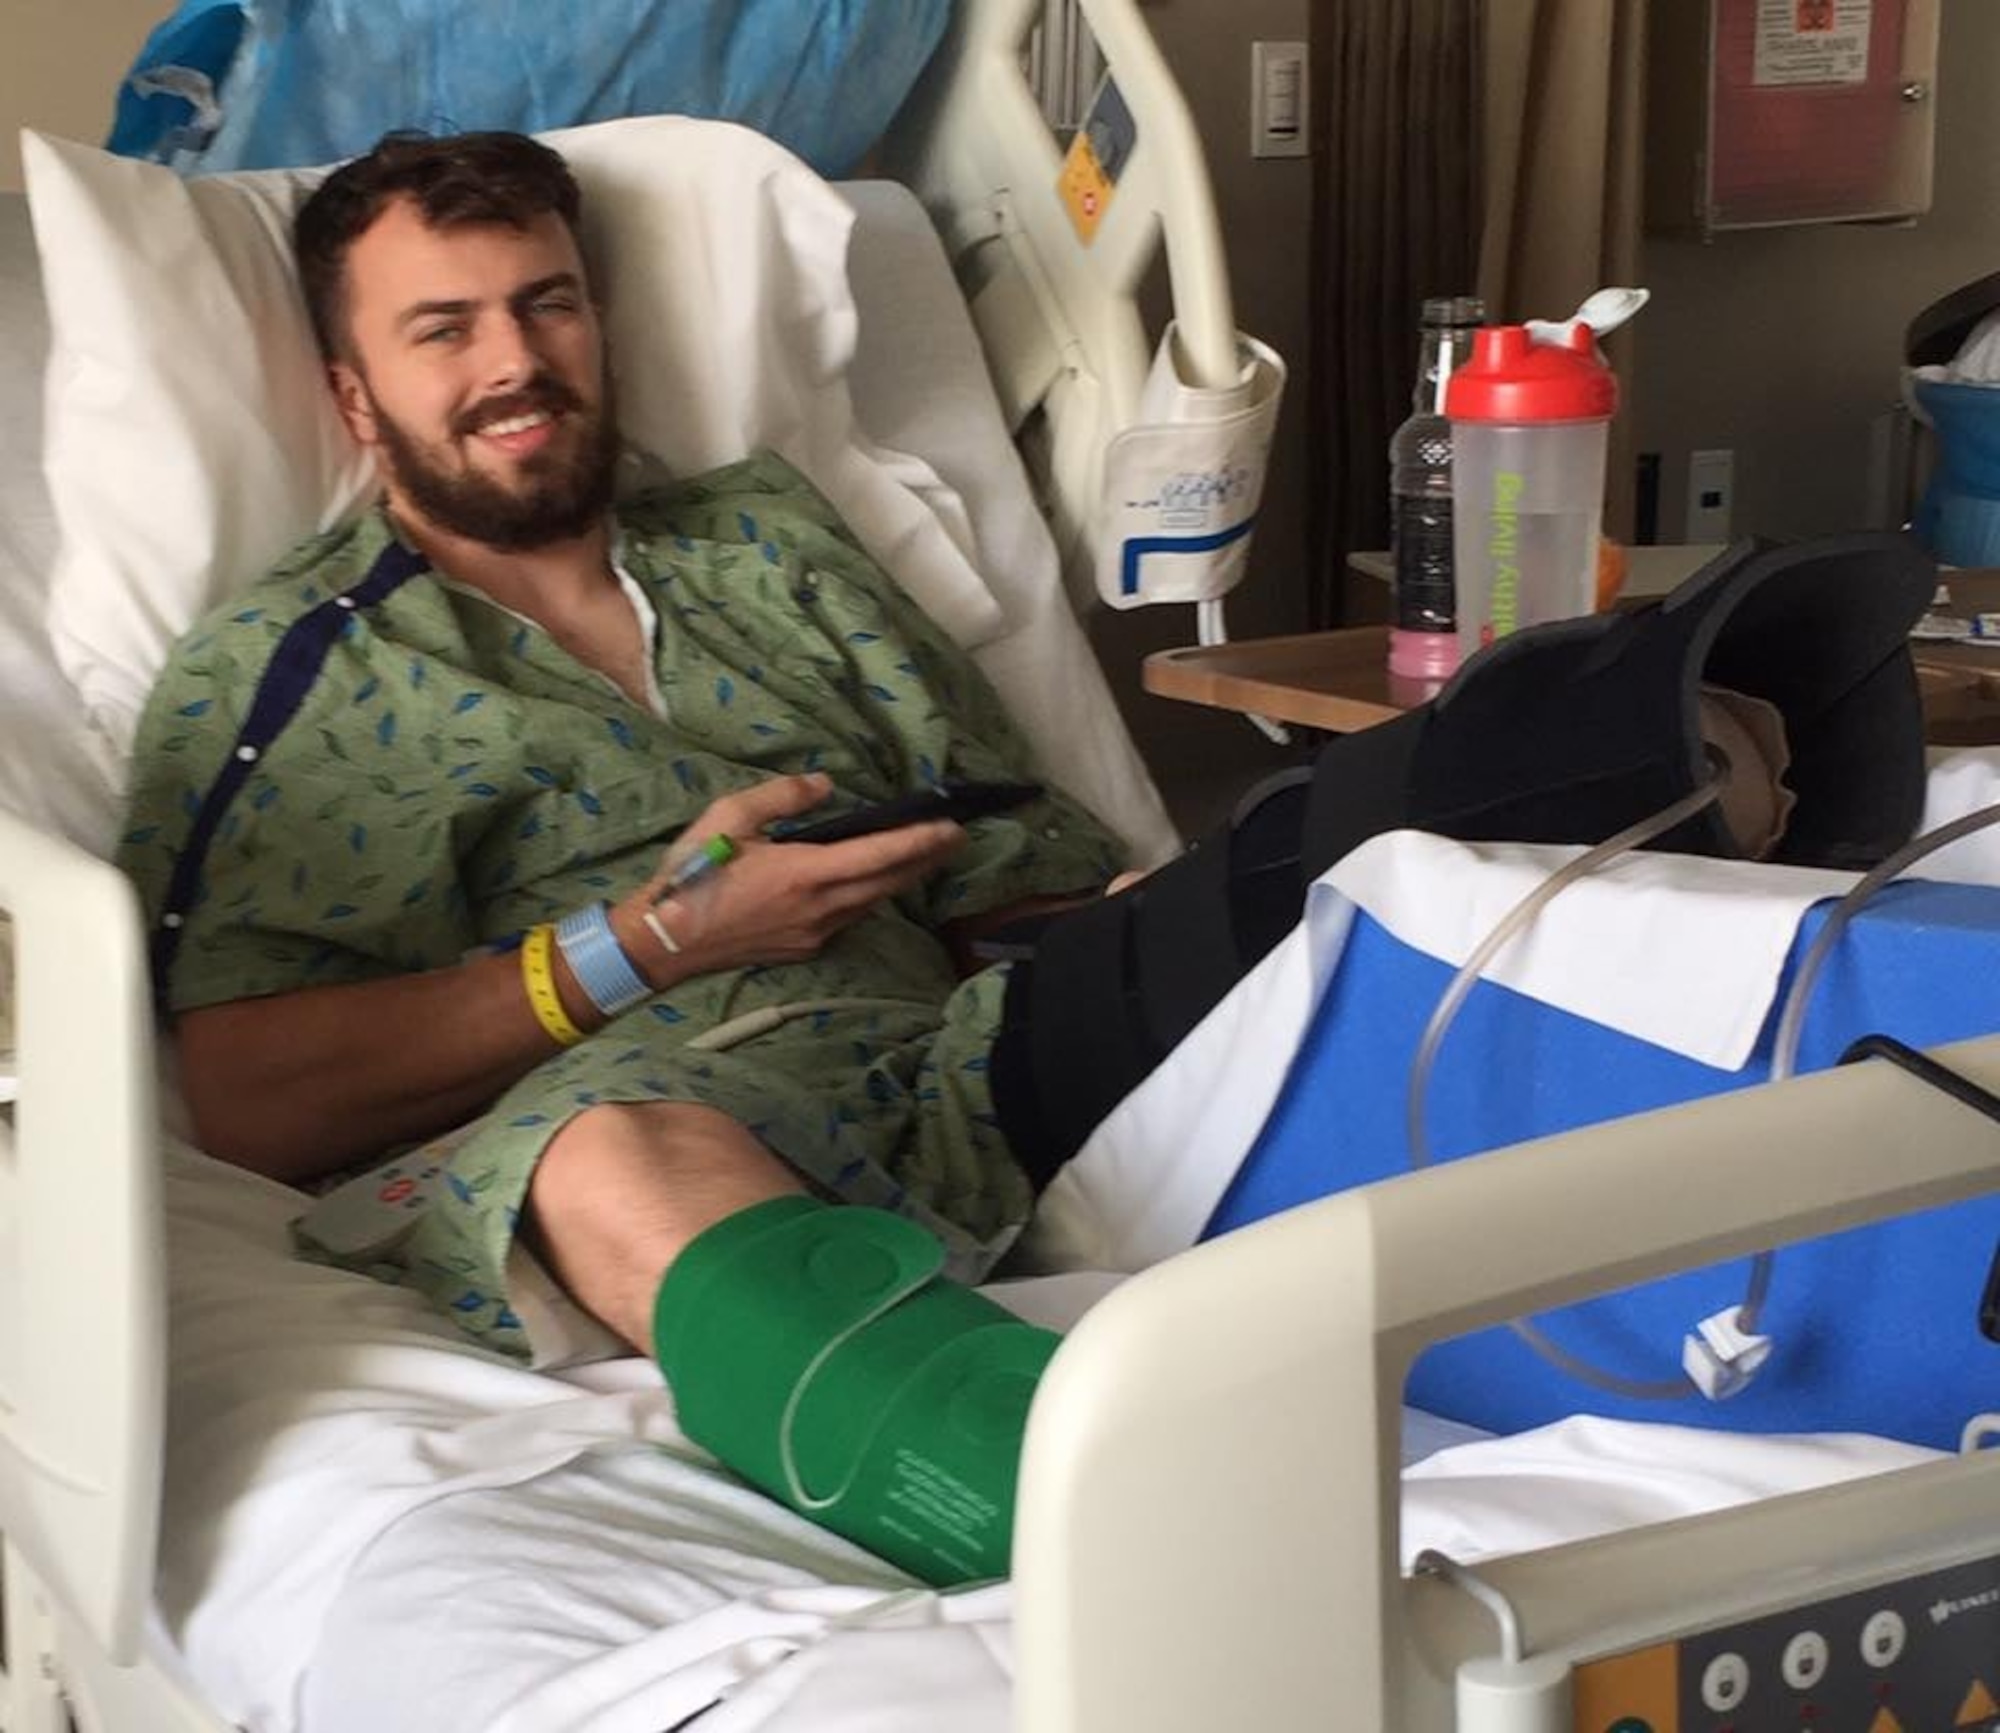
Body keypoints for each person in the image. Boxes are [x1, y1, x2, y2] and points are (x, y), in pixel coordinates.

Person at [118, 129, 1135, 1587]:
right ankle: (1109, 1522)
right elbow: (250, 1095)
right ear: (354, 394)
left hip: (989, 1031)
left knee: (1368, 850)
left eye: (547, 303)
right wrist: (653, 944)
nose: (516, 359)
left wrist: (1159, 931)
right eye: (443, 327)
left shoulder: (766, 539)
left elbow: (1012, 849)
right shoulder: (294, 674)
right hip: (685, 1099)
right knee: (604, 1166)